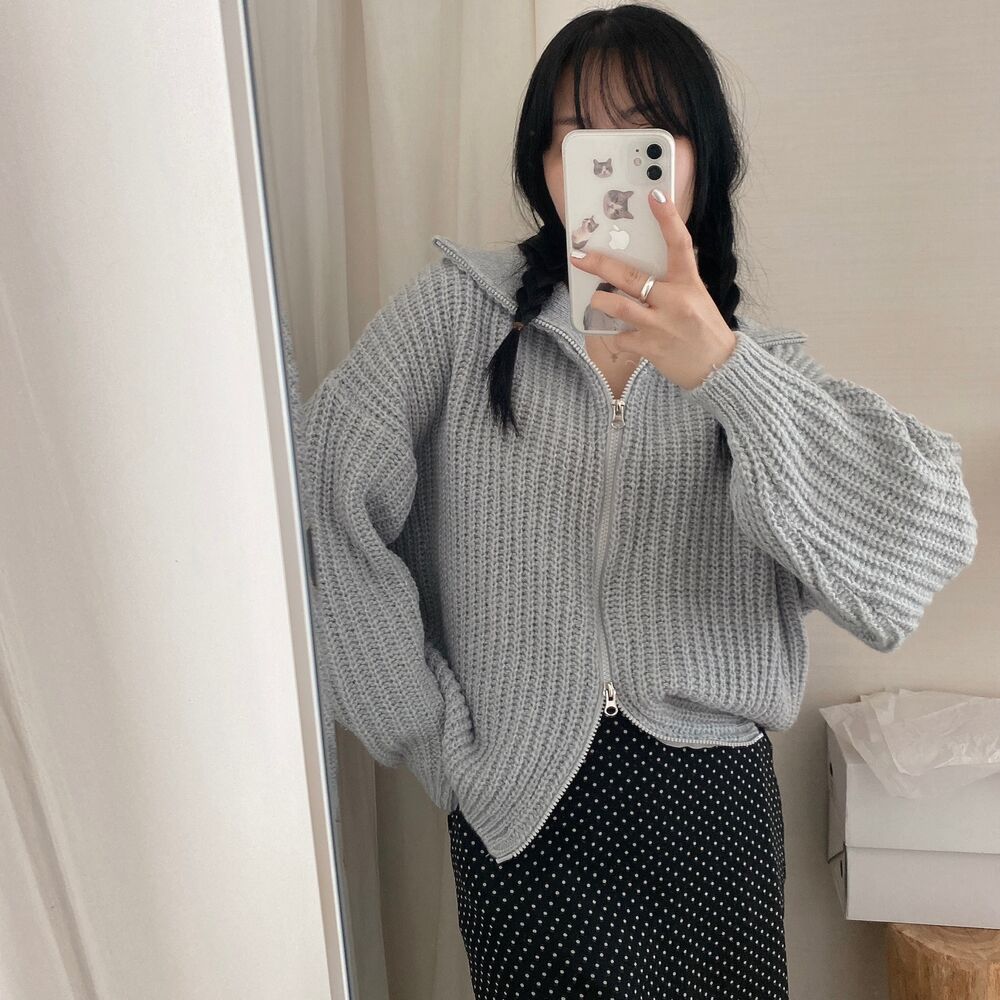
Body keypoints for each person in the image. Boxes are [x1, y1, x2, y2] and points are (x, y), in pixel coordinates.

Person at [295, 5, 978, 998]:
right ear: (542, 163)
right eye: (577, 135)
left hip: (712, 814)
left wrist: (725, 369)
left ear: (698, 159)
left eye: (644, 134)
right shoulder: (456, 316)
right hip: (520, 808)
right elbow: (322, 495)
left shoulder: (758, 364)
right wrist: (425, 731)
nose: (607, 164)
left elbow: (920, 534)